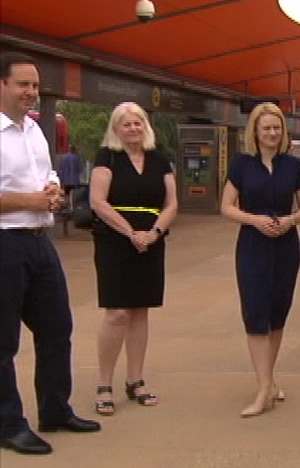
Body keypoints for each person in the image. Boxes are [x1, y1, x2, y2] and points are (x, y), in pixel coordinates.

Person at [0, 51, 101, 456]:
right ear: (2, 85)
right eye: (23, 84)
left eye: (35, 86)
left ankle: (55, 409)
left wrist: (54, 192)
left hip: (40, 243)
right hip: (5, 243)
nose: (31, 93)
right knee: (4, 342)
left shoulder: (35, 131)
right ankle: (8, 423)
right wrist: (32, 200)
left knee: (58, 328)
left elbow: (49, 175)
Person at [220, 102, 300, 418]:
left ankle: (269, 380)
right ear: (255, 132)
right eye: (266, 128)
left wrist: (290, 220)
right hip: (252, 246)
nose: (272, 133)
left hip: (286, 247)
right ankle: (263, 390)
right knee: (256, 313)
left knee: (277, 313)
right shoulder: (242, 165)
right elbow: (227, 206)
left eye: (277, 128)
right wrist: (254, 220)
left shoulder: (293, 166)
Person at [89, 102, 177, 416]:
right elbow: (98, 202)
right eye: (126, 124)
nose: (133, 129)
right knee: (117, 313)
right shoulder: (107, 158)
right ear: (116, 129)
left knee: (141, 311)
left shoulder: (159, 159)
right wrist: (131, 233)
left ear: (146, 127)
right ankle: (104, 383)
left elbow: (171, 203)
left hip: (151, 241)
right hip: (115, 240)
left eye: (138, 123)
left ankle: (136, 379)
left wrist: (152, 233)